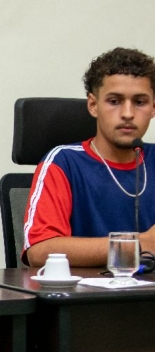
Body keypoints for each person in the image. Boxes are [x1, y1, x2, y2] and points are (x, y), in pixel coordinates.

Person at [23, 47, 155, 267]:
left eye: (140, 102)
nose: (128, 113)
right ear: (93, 105)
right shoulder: (63, 162)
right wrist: (139, 244)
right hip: (85, 288)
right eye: (114, 101)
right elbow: (39, 251)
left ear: (153, 108)